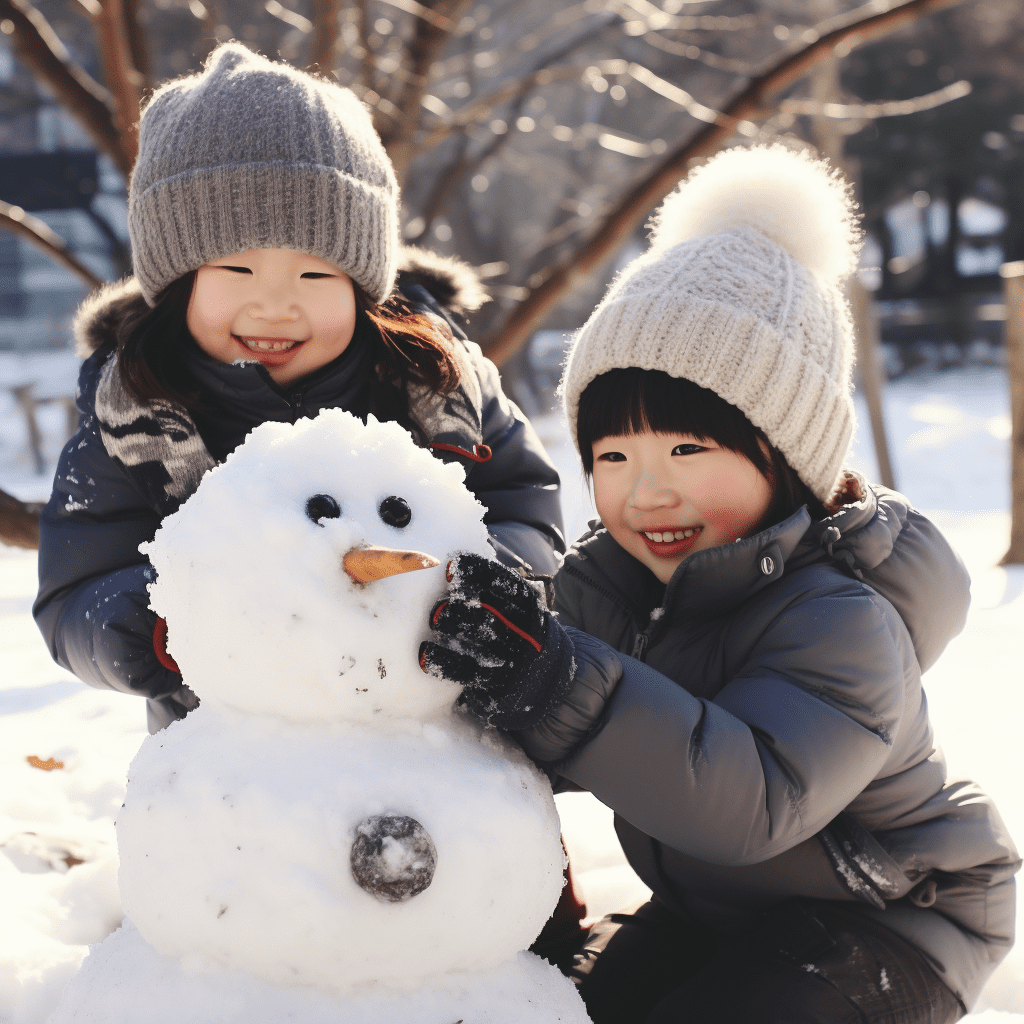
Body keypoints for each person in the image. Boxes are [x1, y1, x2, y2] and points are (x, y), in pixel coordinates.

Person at [421, 145, 1020, 1022]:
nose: (647, 490)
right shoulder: (611, 584)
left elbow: (750, 804)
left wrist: (555, 683)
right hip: (723, 909)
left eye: (689, 450)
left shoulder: (842, 618)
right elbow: (546, 716)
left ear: (793, 462)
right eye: (613, 456)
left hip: (892, 919)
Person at [33, 42, 564, 736]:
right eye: (235, 273)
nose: (275, 307)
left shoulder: (437, 385)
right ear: (176, 283)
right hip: (237, 750)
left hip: (436, 728)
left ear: (365, 286)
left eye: (316, 277)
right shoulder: (135, 413)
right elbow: (75, 595)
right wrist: (160, 624)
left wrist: (498, 584)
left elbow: (526, 507)